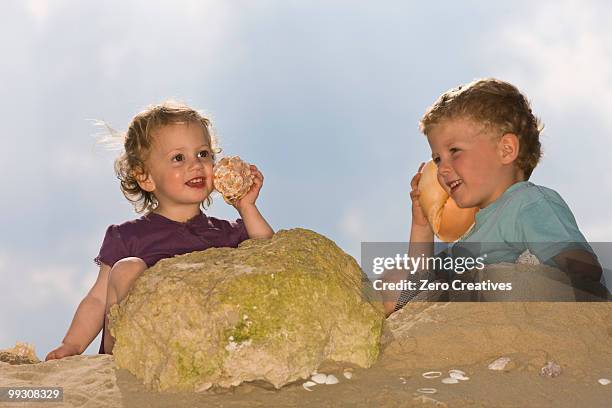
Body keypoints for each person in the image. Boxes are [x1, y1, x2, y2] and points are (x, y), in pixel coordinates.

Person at [46, 101, 274, 359]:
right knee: (127, 268)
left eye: (203, 154)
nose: (196, 165)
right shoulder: (127, 237)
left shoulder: (226, 234)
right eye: (178, 158)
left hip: (194, 345)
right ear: (146, 177)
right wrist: (72, 345)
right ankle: (125, 352)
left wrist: (246, 207)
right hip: (134, 348)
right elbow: (98, 300)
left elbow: (269, 256)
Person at [385, 78, 606, 314]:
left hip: (525, 316)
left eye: (454, 151)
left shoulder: (527, 202)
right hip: (467, 318)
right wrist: (422, 225)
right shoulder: (469, 235)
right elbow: (418, 279)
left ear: (506, 150)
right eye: (437, 159)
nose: (442, 169)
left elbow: (583, 268)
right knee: (395, 281)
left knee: (493, 278)